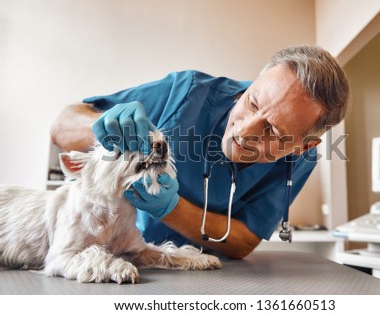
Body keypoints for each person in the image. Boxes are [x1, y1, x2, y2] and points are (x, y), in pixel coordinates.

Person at [51, 45, 350, 259]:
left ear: (303, 146)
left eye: (273, 131)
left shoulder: (300, 159)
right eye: (252, 102)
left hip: (201, 272)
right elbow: (61, 127)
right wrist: (105, 128)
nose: (242, 132)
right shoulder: (187, 92)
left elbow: (244, 241)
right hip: (114, 252)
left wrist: (171, 208)